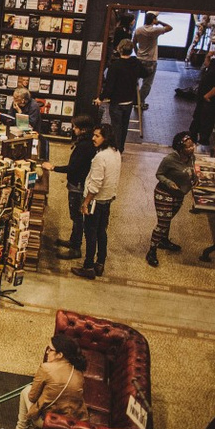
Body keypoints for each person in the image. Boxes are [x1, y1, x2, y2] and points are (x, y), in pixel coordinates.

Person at [0, 334, 88, 429]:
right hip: (71, 420)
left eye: (50, 350)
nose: (47, 352)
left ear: (60, 354)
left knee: (26, 391)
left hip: (50, 422)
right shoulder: (78, 371)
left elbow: (32, 397)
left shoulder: (46, 368)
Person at [42, 113, 97, 261]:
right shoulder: (86, 143)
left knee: (77, 216)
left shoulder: (84, 146)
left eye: (75, 127)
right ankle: (73, 241)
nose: (73, 129)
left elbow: (73, 167)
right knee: (75, 216)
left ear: (83, 129)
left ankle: (75, 248)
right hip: (78, 182)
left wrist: (53, 168)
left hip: (77, 185)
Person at [72, 123, 121, 280]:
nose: (93, 138)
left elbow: (96, 183)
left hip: (96, 201)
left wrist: (86, 202)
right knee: (101, 231)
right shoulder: (115, 152)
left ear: (105, 138)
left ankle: (88, 266)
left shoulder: (100, 157)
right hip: (107, 199)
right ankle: (100, 263)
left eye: (97, 136)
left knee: (90, 232)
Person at [146, 131, 197, 268]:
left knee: (168, 219)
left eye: (192, 145)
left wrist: (195, 179)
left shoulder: (191, 158)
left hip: (179, 195)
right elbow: (159, 174)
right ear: (180, 149)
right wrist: (169, 183)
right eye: (188, 147)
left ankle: (164, 241)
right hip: (164, 194)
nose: (192, 148)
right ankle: (151, 251)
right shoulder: (169, 159)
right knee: (162, 224)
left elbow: (190, 171)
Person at [94, 39, 141, 151]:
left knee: (116, 127)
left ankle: (116, 149)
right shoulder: (135, 63)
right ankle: (121, 149)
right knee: (124, 127)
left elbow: (109, 86)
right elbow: (145, 73)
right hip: (129, 101)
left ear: (119, 49)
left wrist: (100, 98)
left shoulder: (115, 66)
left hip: (117, 102)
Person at [132, 12, 173, 110]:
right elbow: (170, 27)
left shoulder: (138, 30)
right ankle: (140, 102)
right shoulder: (155, 30)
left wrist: (137, 52)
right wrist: (159, 22)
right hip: (151, 60)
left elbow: (134, 42)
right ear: (153, 20)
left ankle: (133, 99)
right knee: (147, 83)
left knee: (134, 81)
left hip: (139, 59)